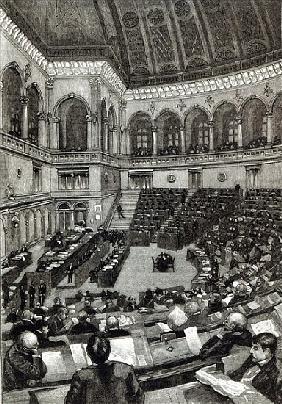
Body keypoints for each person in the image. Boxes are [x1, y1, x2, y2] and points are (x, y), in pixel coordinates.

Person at [65, 333, 144, 404]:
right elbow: (139, 397)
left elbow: (70, 402)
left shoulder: (81, 376)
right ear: (109, 350)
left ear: (88, 353)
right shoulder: (125, 370)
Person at [229, 333, 280, 403]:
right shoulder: (253, 359)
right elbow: (237, 374)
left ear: (267, 352)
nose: (251, 351)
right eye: (252, 347)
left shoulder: (276, 373)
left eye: (255, 348)